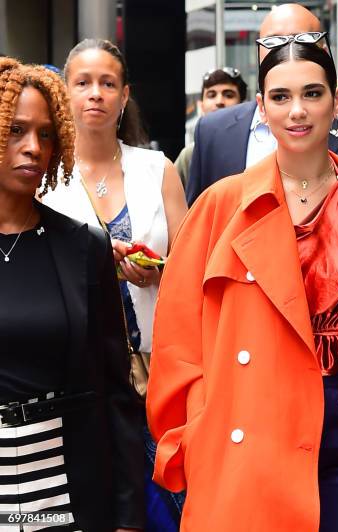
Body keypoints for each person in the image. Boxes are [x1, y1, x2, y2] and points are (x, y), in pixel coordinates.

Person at [148, 36, 338, 531]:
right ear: (261, 108)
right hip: (248, 430)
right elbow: (179, 338)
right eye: (281, 97)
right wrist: (198, 430)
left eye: (312, 93)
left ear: (337, 101)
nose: (297, 111)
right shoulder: (222, 205)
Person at [42, 39, 187, 531]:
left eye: (107, 83)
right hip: (77, 372)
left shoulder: (157, 168)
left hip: (159, 367)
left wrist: (158, 269)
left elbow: (188, 265)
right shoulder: (41, 176)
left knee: (171, 500)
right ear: (64, 94)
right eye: (83, 83)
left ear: (125, 96)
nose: (95, 94)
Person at [0, 57, 143, 531]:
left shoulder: (83, 246)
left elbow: (116, 390)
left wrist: (127, 516)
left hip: (65, 484)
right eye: (16, 130)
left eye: (45, 135)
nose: (32, 148)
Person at [185, 3, 338, 205]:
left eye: (302, 40)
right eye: (273, 42)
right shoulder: (212, 132)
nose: (288, 51)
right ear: (262, 107)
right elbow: (199, 230)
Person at [174, 67, 248, 186]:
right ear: (201, 106)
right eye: (211, 95)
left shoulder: (254, 148)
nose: (219, 101)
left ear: (244, 106)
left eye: (229, 95)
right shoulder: (190, 155)